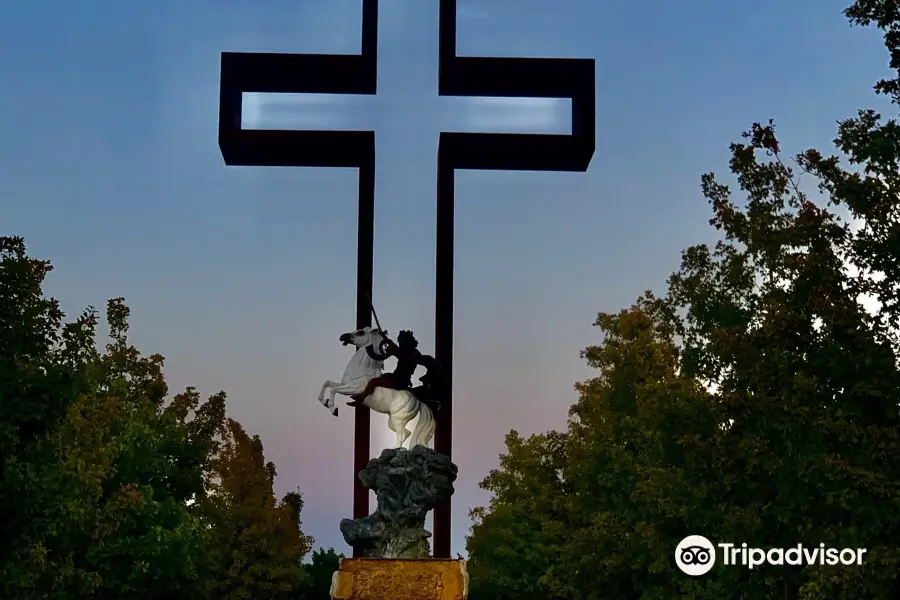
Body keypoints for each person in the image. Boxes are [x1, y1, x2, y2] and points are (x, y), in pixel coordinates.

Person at [347, 330, 440, 407]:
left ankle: (361, 399)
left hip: (398, 381)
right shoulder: (410, 352)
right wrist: (385, 338)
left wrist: (391, 349)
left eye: (401, 342)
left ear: (405, 342)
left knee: (373, 382)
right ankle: (363, 398)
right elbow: (395, 348)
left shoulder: (409, 353)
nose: (400, 344)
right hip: (399, 378)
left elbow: (400, 353)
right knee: (373, 381)